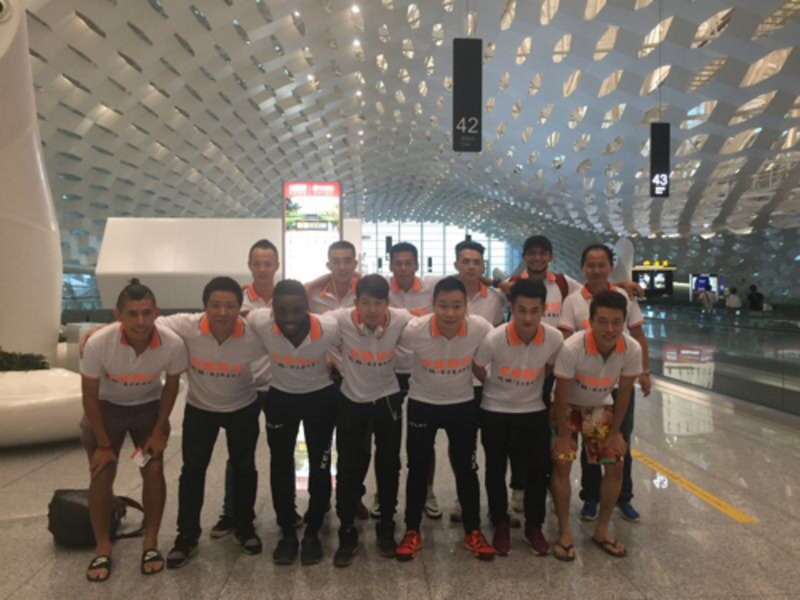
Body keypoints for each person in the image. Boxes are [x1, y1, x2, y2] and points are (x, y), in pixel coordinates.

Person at [80, 280, 187, 582]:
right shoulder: (99, 343)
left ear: (156, 312)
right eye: (132, 314)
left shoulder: (172, 343)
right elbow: (89, 396)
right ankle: (103, 546)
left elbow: (171, 387)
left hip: (146, 412)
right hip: (106, 412)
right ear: (118, 315)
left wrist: (158, 431)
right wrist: (104, 445)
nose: (140, 321)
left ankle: (150, 542)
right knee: (102, 473)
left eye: (147, 313)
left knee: (152, 469)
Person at [157, 277, 267, 568]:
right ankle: (187, 535)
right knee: (192, 471)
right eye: (215, 305)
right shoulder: (187, 325)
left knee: (244, 468)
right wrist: (99, 329)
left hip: (242, 407)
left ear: (240, 308)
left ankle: (244, 527)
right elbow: (146, 325)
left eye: (230, 306)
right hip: (200, 409)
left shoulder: (254, 334)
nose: (222, 313)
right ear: (204, 307)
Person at [395, 277, 495, 561]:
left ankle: (473, 530)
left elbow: (498, 350)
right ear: (433, 305)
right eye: (443, 306)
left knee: (466, 468)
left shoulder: (480, 327)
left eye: (456, 306)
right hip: (422, 404)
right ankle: (412, 529)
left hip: (462, 405)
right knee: (417, 468)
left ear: (466, 307)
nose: (450, 313)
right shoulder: (415, 330)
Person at [212, 239, 300, 538]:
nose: (262, 269)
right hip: (244, 387)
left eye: (268, 263)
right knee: (240, 455)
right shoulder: (235, 300)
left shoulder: (286, 299)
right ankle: (232, 513)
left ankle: (288, 510)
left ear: (277, 266)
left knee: (283, 454)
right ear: (249, 265)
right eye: (257, 263)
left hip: (279, 386)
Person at [248, 280, 341, 566]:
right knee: (280, 464)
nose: (289, 318)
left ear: (308, 308)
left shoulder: (328, 326)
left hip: (319, 399)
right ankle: (287, 531)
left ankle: (313, 531)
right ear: (271, 309)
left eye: (297, 310)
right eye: (282, 311)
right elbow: (236, 313)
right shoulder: (260, 320)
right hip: (281, 399)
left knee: (320, 464)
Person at [559, 244, 651, 523]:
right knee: (589, 444)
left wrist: (644, 371)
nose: (596, 270)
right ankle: (591, 497)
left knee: (619, 437)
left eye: (602, 265)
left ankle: (623, 497)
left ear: (611, 267)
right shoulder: (573, 300)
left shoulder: (624, 296)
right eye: (591, 265)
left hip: (617, 380)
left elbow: (637, 332)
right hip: (585, 384)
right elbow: (567, 339)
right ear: (582, 268)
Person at [473, 279, 563, 557]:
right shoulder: (494, 338)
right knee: (495, 469)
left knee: (538, 470)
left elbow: (550, 367)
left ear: (544, 310)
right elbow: (478, 368)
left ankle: (533, 526)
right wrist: (497, 388)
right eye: (521, 310)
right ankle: (500, 522)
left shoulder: (554, 338)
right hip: (495, 410)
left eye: (534, 311)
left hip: (533, 410)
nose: (527, 318)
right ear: (511, 307)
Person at [550, 291, 642, 561]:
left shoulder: (631, 349)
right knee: (562, 462)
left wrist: (615, 433)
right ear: (590, 322)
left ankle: (602, 530)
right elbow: (560, 393)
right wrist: (563, 436)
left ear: (624, 322)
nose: (610, 329)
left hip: (600, 406)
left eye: (617, 322)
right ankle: (565, 531)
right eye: (602, 322)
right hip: (567, 406)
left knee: (615, 464)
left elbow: (624, 394)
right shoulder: (572, 348)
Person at [327, 275, 413, 566]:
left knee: (389, 464)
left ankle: (386, 523)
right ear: (356, 303)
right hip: (351, 401)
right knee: (348, 465)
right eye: (366, 303)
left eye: (378, 303)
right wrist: (331, 358)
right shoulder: (338, 319)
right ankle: (346, 528)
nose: (372, 310)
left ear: (388, 303)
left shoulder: (402, 320)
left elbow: (431, 327)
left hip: (388, 401)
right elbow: (308, 324)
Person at [306, 240, 359, 314]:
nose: (342, 267)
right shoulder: (314, 296)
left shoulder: (363, 293)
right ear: (328, 265)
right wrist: (313, 284)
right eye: (336, 262)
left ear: (355, 264)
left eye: (347, 261)